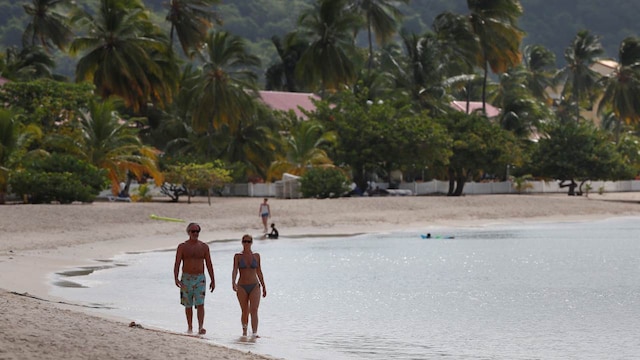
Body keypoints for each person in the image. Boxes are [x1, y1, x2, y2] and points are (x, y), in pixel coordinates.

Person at [173, 223, 215, 335]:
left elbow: (209, 263)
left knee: (200, 303)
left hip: (200, 278)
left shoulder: (204, 247)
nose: (195, 233)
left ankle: (201, 327)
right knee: (188, 304)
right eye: (193, 231)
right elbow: (177, 263)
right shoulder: (182, 246)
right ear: (188, 232)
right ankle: (190, 326)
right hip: (186, 277)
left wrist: (213, 279)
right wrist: (176, 278)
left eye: (197, 231)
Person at [232, 234, 267, 337]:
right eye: (244, 241)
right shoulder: (238, 256)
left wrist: (264, 286)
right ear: (242, 242)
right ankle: (244, 332)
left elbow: (259, 271)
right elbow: (235, 270)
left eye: (248, 241)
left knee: (254, 310)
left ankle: (255, 333)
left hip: (255, 286)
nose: (246, 243)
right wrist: (233, 282)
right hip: (242, 286)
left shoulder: (256, 256)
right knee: (245, 310)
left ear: (251, 243)